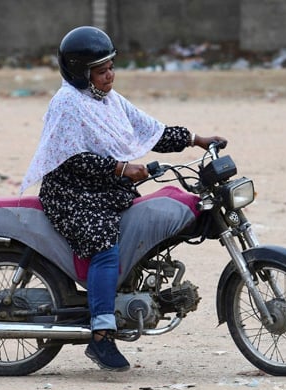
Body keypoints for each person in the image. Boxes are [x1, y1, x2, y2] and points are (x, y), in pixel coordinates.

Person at [21, 26, 227, 372]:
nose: (110, 75)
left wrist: (198, 139)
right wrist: (121, 169)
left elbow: (152, 130)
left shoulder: (108, 100)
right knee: (105, 244)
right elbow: (71, 159)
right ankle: (100, 336)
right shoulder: (67, 104)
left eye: (112, 67)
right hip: (72, 193)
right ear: (80, 72)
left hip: (105, 189)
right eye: (101, 71)